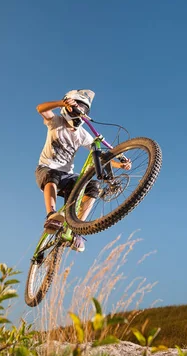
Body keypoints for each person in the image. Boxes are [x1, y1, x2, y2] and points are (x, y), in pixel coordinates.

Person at [35, 89, 130, 252]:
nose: (80, 111)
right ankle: (51, 215)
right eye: (77, 106)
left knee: (93, 186)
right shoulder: (55, 121)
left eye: (84, 110)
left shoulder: (82, 134)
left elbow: (100, 156)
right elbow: (40, 108)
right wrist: (60, 103)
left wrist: (119, 165)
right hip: (47, 169)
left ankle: (77, 228)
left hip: (68, 176)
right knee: (53, 174)